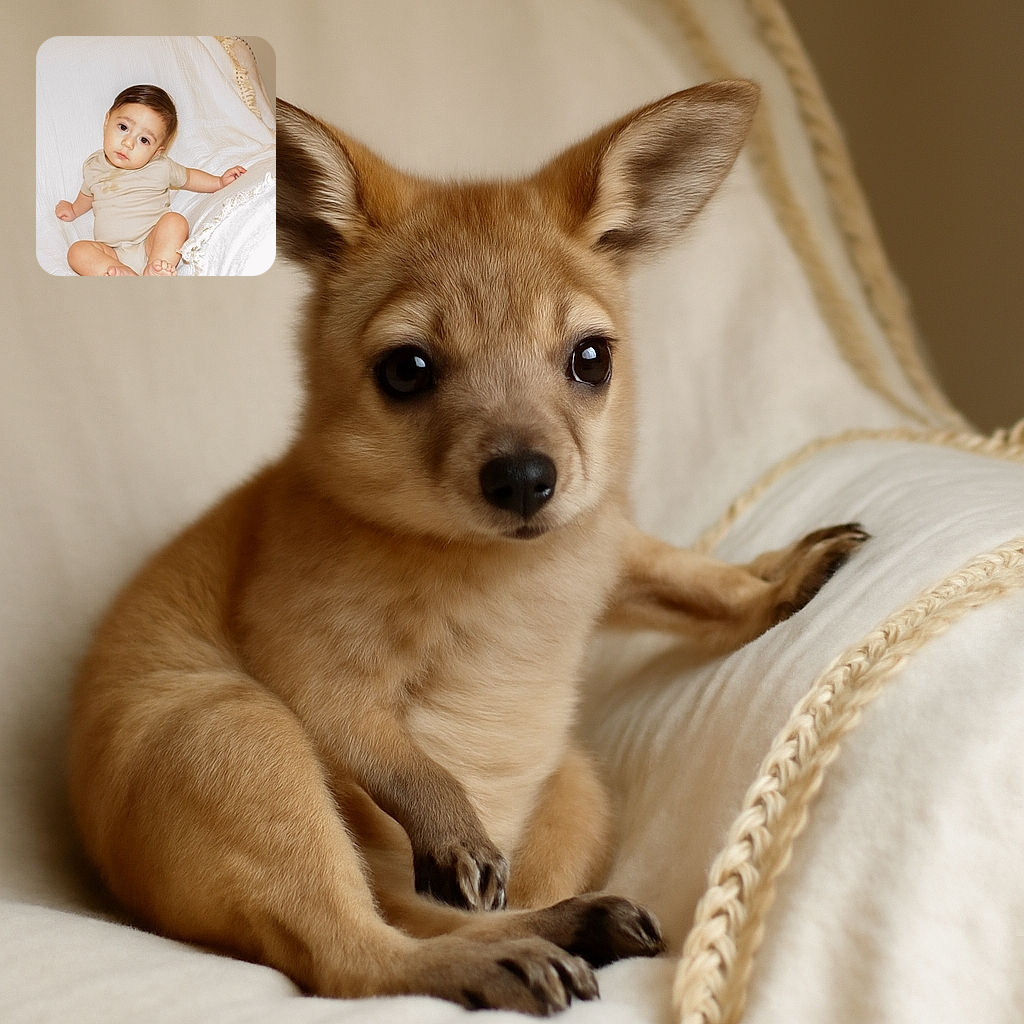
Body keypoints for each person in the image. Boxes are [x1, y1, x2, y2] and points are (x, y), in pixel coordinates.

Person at [55, 85, 247, 276]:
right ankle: (120, 273)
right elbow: (87, 193)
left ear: (157, 151)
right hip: (110, 252)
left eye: (144, 140)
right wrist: (73, 209)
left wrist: (219, 182)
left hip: (151, 242)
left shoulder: (160, 166)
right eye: (123, 127)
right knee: (77, 251)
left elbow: (189, 177)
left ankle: (157, 267)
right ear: (107, 121)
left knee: (175, 221)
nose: (128, 143)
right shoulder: (93, 165)